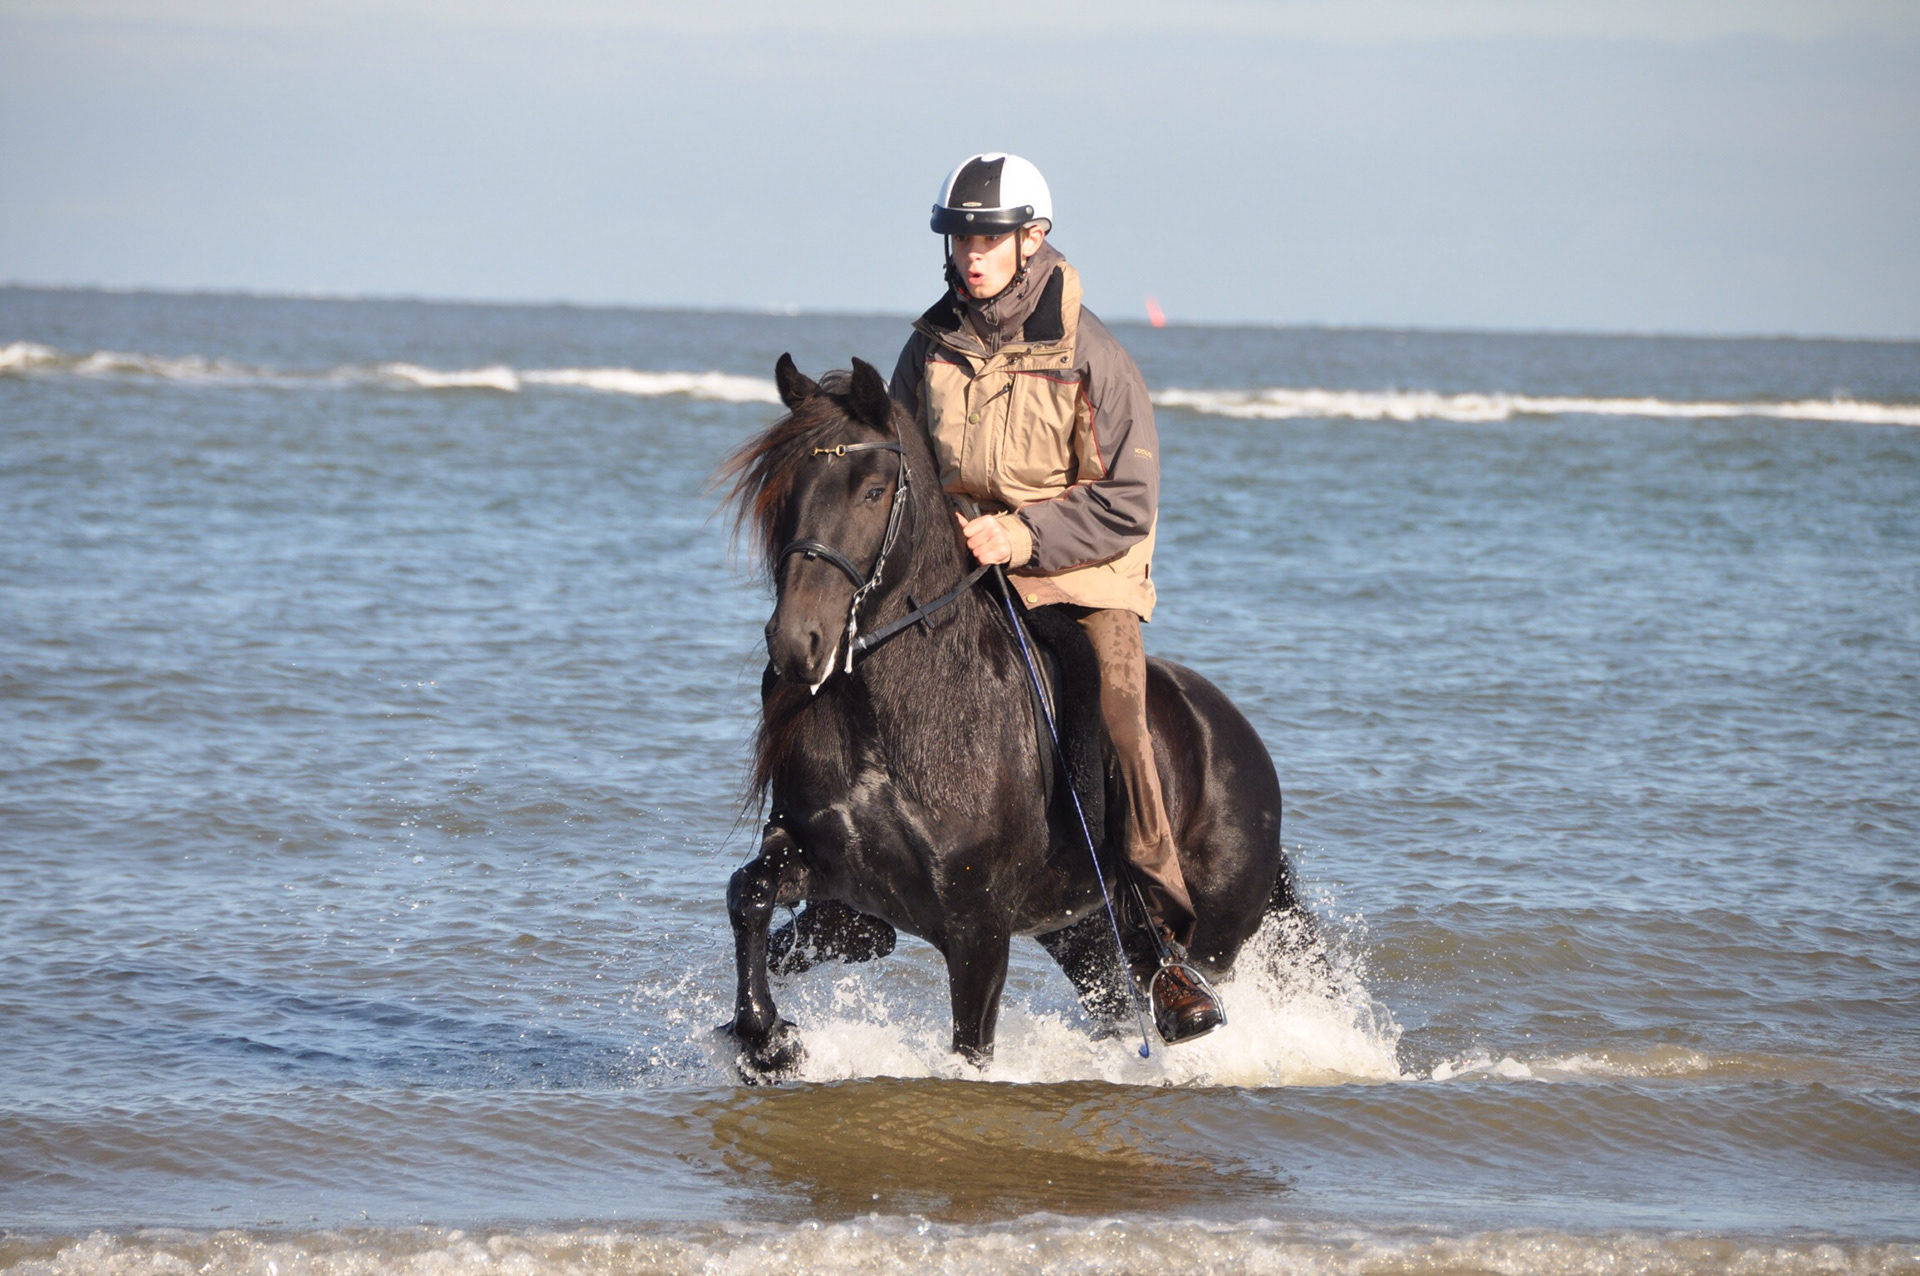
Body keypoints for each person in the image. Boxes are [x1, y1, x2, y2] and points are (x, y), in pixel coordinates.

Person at [889, 152, 1224, 1043]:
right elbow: (901, 471)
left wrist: (1025, 535)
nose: (969, 253)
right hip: (962, 564)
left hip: (1081, 568)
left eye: (987, 237)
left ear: (1031, 239)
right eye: (958, 236)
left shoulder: (1095, 354)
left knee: (1117, 706)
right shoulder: (927, 347)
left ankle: (1159, 944)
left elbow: (1128, 503)